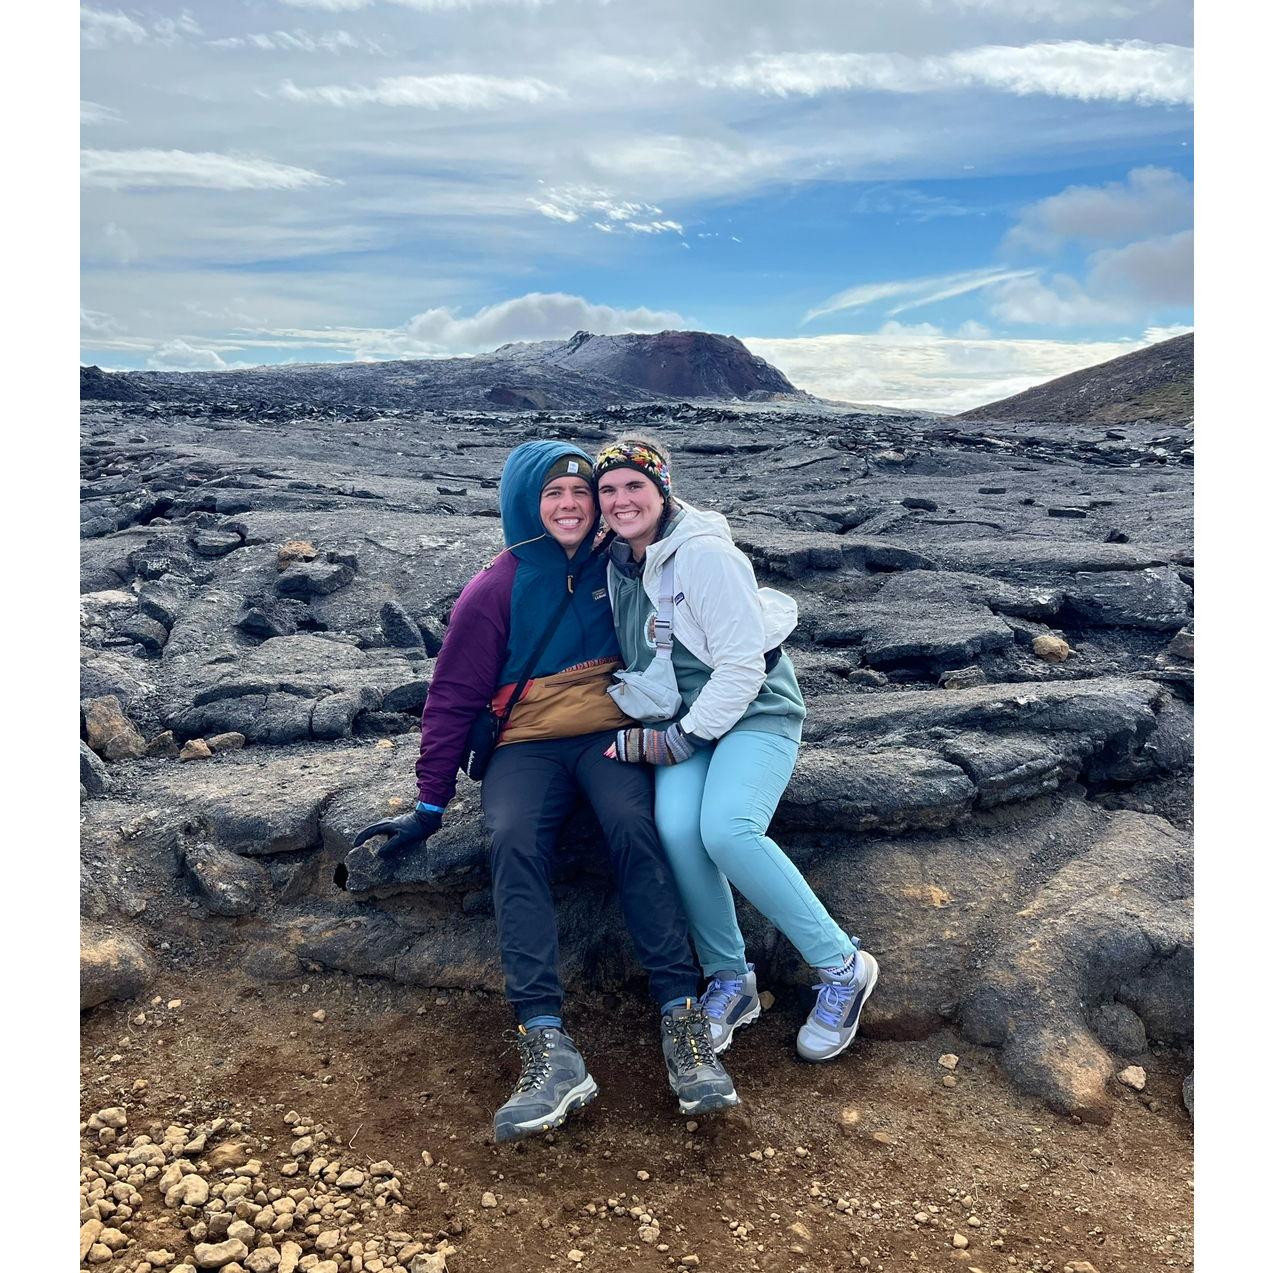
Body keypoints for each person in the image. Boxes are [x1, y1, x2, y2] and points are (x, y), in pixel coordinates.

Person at [348, 440, 739, 1143]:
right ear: (523, 504)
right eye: (552, 494)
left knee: (633, 823)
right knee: (513, 838)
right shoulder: (492, 590)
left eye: (580, 491)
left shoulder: (616, 562)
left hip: (607, 732)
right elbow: (449, 699)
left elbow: (689, 581)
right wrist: (430, 804)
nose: (570, 505)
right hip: (524, 743)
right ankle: (546, 1041)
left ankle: (682, 1020)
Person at [594, 437, 880, 1062]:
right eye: (608, 489)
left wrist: (680, 740)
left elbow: (743, 668)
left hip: (754, 711)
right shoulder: (616, 559)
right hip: (681, 715)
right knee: (677, 830)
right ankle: (731, 978)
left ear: (663, 489)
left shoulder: (703, 556)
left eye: (635, 486)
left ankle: (843, 966)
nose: (621, 501)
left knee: (727, 830)